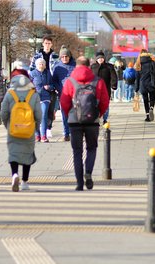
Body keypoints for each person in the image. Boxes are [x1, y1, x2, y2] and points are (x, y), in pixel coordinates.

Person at [60, 56, 109, 191]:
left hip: (75, 121)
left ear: (76, 66)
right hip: (92, 120)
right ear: (89, 66)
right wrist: (98, 115)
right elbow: (105, 101)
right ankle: (88, 172)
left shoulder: (70, 81)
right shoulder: (97, 81)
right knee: (91, 149)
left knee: (77, 152)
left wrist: (70, 114)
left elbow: (64, 101)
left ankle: (79, 183)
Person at [0, 70, 42, 192]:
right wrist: (36, 127)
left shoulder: (10, 94)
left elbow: (3, 112)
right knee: (27, 154)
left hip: (13, 128)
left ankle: (14, 174)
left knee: (14, 153)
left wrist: (7, 125)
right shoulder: (33, 94)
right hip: (29, 128)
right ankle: (24, 182)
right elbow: (39, 114)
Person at [52, 45, 76, 141]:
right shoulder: (57, 67)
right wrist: (59, 89)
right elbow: (54, 81)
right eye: (63, 57)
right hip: (63, 94)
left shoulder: (74, 65)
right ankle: (66, 133)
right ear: (60, 57)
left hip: (74, 94)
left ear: (69, 56)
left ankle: (74, 133)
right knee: (65, 114)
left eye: (66, 56)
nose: (65, 58)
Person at [30, 57, 54, 142]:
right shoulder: (32, 73)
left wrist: (49, 87)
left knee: (43, 115)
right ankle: (37, 135)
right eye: (39, 64)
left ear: (45, 65)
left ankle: (44, 135)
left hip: (45, 97)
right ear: (36, 65)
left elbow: (52, 85)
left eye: (43, 64)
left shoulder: (47, 73)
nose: (41, 65)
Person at [91, 51, 117, 124]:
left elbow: (113, 76)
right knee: (95, 104)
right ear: (96, 59)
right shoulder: (93, 67)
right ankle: (96, 118)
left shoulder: (109, 67)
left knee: (105, 104)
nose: (101, 59)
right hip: (95, 89)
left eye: (102, 58)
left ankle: (105, 119)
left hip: (105, 89)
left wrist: (113, 84)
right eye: (99, 58)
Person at [135, 49, 155, 122]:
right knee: (152, 98)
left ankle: (147, 115)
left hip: (143, 84)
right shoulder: (152, 62)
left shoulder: (139, 63)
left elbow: (137, 77)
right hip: (151, 83)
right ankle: (151, 108)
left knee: (145, 100)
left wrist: (136, 88)